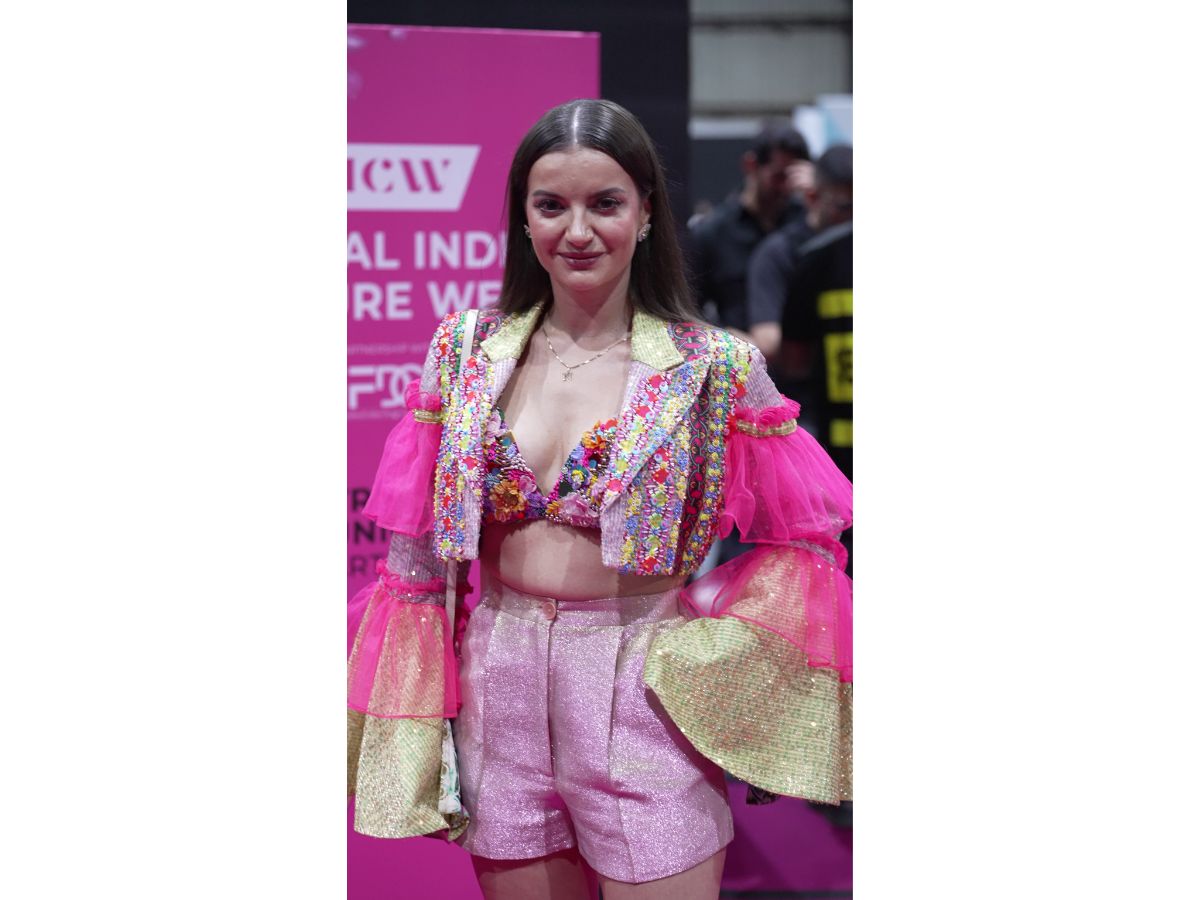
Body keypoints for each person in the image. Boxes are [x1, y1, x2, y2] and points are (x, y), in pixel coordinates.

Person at [347, 99, 853, 900]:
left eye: (605, 204)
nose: (577, 231)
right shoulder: (464, 351)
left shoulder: (714, 366)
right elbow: (415, 565)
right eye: (551, 205)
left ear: (646, 212)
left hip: (644, 696)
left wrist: (712, 664)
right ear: (524, 217)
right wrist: (420, 720)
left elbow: (808, 540)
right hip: (497, 698)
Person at [689, 120, 811, 340]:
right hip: (736, 355)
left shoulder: (809, 222)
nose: (786, 188)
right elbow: (689, 309)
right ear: (751, 165)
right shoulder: (713, 232)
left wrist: (818, 192)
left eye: (793, 178)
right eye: (779, 176)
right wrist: (724, 337)